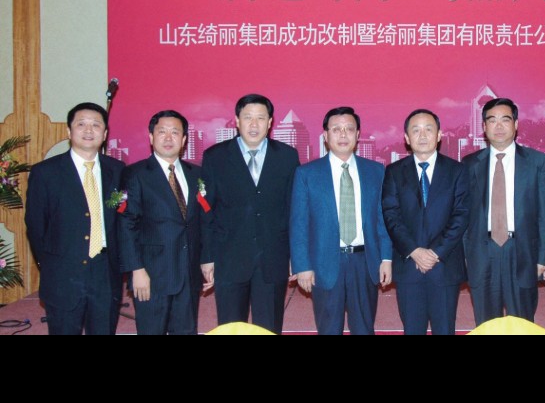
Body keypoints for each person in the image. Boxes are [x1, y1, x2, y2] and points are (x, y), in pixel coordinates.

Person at [201, 94, 299, 334]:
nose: (254, 124)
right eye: (248, 118)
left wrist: (295, 256)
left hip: (273, 259)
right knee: (230, 328)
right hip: (229, 259)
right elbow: (206, 210)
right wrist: (207, 257)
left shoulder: (287, 156)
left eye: (260, 118)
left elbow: (293, 210)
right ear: (237, 120)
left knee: (269, 328)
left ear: (270, 122)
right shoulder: (215, 157)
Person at [25, 103, 125, 335]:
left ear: (105, 134)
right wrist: (52, 263)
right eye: (81, 124)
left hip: (105, 271)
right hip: (63, 272)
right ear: (69, 131)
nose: (89, 130)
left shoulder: (118, 170)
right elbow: (36, 226)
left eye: (96, 125)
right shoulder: (45, 172)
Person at [290, 107, 392, 335]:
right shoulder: (307, 174)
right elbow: (299, 224)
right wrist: (302, 266)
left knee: (364, 328)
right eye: (336, 129)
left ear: (358, 135)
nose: (343, 134)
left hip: (365, 261)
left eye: (349, 129)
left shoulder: (376, 171)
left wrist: (386, 258)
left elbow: (382, 219)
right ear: (325, 136)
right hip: (324, 262)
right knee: (328, 329)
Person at [118, 111, 214, 335]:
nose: (169, 138)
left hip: (188, 273)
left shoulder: (196, 174)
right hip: (151, 275)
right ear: (151, 137)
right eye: (162, 132)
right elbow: (126, 225)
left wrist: (207, 259)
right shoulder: (135, 174)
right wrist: (136, 270)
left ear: (184, 139)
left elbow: (204, 220)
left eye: (175, 132)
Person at [462, 98, 545, 326]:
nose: (499, 126)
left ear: (516, 124)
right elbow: (463, 214)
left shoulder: (537, 162)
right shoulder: (469, 164)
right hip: (483, 252)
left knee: (522, 323)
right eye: (492, 120)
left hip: (522, 252)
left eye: (505, 119)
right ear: (484, 127)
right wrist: (467, 254)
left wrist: (543, 256)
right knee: (487, 325)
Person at [382, 109, 469, 335]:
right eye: (416, 130)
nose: (422, 135)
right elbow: (391, 215)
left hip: (444, 266)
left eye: (428, 129)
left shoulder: (457, 170)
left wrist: (435, 252)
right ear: (406, 138)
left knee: (445, 330)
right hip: (409, 267)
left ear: (439, 135)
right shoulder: (394, 172)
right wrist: (414, 251)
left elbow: (461, 215)